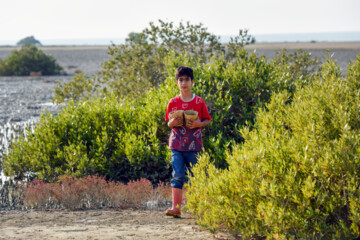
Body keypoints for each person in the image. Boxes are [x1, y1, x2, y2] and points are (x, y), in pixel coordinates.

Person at [165, 66, 211, 218]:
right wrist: (173, 122)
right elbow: (168, 123)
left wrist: (199, 124)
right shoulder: (172, 102)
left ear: (192, 82)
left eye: (187, 79)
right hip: (176, 145)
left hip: (194, 145)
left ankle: (198, 208)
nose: (184, 83)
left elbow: (207, 120)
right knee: (177, 174)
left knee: (195, 175)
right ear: (177, 82)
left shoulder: (199, 101)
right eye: (180, 79)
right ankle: (176, 208)